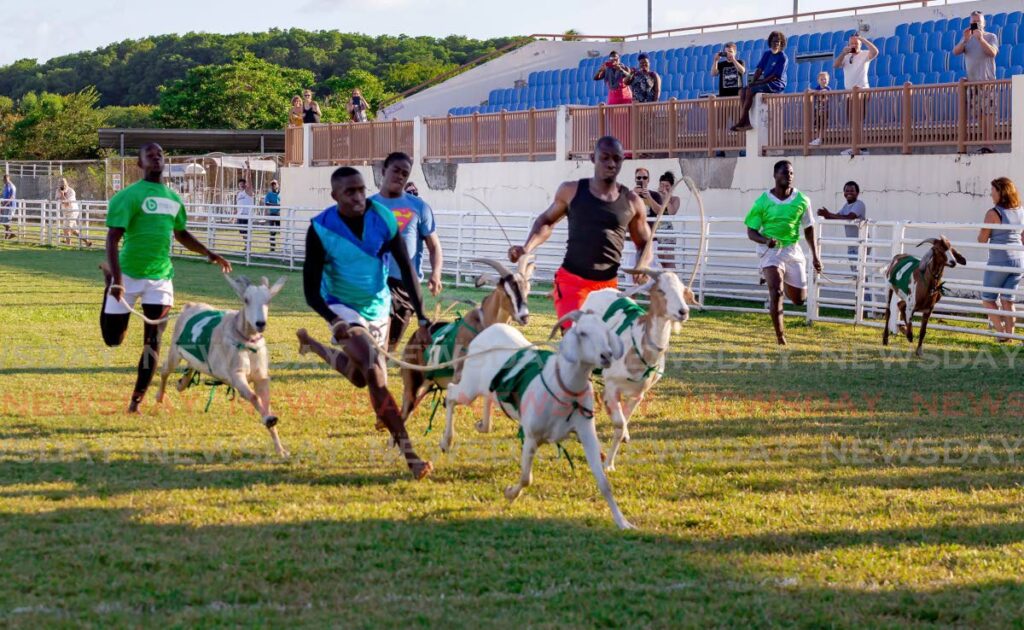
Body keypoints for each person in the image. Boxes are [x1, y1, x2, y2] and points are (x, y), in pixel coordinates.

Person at [295, 166, 434, 480]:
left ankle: (312, 346)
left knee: (361, 378)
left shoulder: (383, 218)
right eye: (350, 192)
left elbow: (407, 269)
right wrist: (334, 320)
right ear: (335, 196)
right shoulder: (320, 228)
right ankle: (411, 457)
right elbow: (309, 290)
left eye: (360, 189)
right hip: (341, 307)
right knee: (373, 370)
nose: (358, 197)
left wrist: (423, 316)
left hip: (378, 307)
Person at [100, 142, 233, 413]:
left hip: (160, 278)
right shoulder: (128, 196)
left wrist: (210, 253)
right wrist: (116, 280)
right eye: (149, 155)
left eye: (160, 154)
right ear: (140, 164)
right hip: (126, 275)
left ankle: (135, 401)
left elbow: (181, 234)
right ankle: (107, 287)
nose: (156, 158)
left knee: (154, 341)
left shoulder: (173, 198)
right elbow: (113, 238)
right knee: (113, 339)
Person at [508, 136, 651, 330]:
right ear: (593, 158)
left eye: (617, 159)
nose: (611, 164)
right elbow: (546, 221)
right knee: (578, 336)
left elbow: (644, 243)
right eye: (605, 158)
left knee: (621, 341)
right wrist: (526, 247)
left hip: (608, 286)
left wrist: (642, 265)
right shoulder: (571, 191)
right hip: (572, 283)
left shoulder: (632, 201)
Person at [370, 152, 444, 350]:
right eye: (396, 170)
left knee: (391, 347)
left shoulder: (419, 207)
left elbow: (434, 246)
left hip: (406, 285)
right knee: (379, 343)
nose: (400, 176)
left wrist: (436, 273)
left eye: (405, 173)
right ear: (384, 170)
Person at [744, 160, 822, 345]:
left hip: (792, 250)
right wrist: (765, 241)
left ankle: (779, 277)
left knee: (799, 300)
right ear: (775, 175)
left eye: (791, 173)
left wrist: (815, 256)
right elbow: (751, 232)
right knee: (776, 292)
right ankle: (781, 337)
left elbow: (809, 228)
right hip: (770, 250)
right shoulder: (762, 201)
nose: (789, 176)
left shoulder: (802, 200)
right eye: (785, 173)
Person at [977, 177, 1024, 341]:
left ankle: (1001, 333)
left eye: (993, 191)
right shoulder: (1020, 210)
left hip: (999, 260)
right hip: (1019, 260)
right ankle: (1010, 335)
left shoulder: (993, 213)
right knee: (1007, 300)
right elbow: (1023, 238)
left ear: (1001, 192)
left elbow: (982, 239)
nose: (991, 194)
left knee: (987, 300)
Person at [953, 10, 999, 154]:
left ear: (984, 23)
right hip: (973, 85)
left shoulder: (991, 37)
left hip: (987, 83)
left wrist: (981, 39)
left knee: (988, 115)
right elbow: (955, 51)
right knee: (979, 115)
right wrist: (966, 39)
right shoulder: (967, 38)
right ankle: (984, 144)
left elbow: (992, 52)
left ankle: (989, 145)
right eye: (973, 22)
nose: (976, 25)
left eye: (978, 22)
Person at [732, 31, 788, 132]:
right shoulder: (767, 54)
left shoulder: (783, 57)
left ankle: (742, 120)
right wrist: (753, 81)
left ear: (781, 44)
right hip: (766, 81)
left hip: (776, 84)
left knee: (750, 91)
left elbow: (775, 76)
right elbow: (759, 70)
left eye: (778, 42)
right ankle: (747, 121)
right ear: (770, 42)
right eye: (774, 41)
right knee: (742, 91)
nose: (775, 44)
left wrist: (759, 83)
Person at [656, 172, 681, 269]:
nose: (664, 188)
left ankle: (674, 283)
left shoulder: (675, 199)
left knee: (668, 261)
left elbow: (671, 212)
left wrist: (666, 197)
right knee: (662, 261)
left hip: (667, 233)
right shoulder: (655, 197)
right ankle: (667, 282)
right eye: (662, 185)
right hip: (656, 232)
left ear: (672, 187)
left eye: (667, 186)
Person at [55, 178, 90, 247]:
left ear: (66, 184)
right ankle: (87, 242)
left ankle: (69, 245)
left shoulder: (71, 191)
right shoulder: (58, 190)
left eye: (63, 184)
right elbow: (57, 200)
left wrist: (62, 195)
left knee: (66, 228)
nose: (61, 186)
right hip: (65, 211)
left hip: (72, 211)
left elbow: (67, 203)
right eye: (60, 184)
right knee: (73, 230)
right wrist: (61, 194)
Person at [810, 71, 832, 146]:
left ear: (828, 80)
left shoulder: (827, 88)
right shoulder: (817, 88)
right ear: (818, 80)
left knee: (823, 125)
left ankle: (820, 138)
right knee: (818, 125)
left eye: (825, 79)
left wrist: (816, 92)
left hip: (825, 111)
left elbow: (824, 92)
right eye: (821, 79)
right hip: (817, 110)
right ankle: (818, 138)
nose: (823, 81)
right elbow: (811, 91)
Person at [235, 164, 255, 241]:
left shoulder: (248, 191)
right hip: (240, 215)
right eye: (240, 185)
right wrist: (234, 217)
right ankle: (246, 243)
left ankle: (247, 245)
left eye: (243, 184)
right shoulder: (239, 194)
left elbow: (249, 180)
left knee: (246, 231)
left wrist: (248, 168)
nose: (241, 186)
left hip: (247, 215)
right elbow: (237, 206)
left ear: (245, 185)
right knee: (242, 231)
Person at [264, 179, 281, 252]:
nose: (274, 186)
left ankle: (284, 247)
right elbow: (267, 203)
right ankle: (272, 248)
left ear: (278, 185)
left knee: (282, 230)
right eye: (272, 184)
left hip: (281, 215)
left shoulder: (281, 194)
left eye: (275, 184)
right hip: (272, 214)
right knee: (272, 232)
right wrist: (277, 205)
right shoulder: (269, 194)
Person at [1, 174, 16, 240]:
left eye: (5, 180)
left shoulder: (12, 186)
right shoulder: (5, 186)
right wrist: (2, 204)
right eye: (4, 180)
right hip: (5, 206)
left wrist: (5, 205)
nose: (4, 181)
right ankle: (9, 234)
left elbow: (12, 197)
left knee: (5, 221)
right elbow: (4, 196)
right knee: (3, 221)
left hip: (10, 206)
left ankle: (8, 235)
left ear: (8, 179)